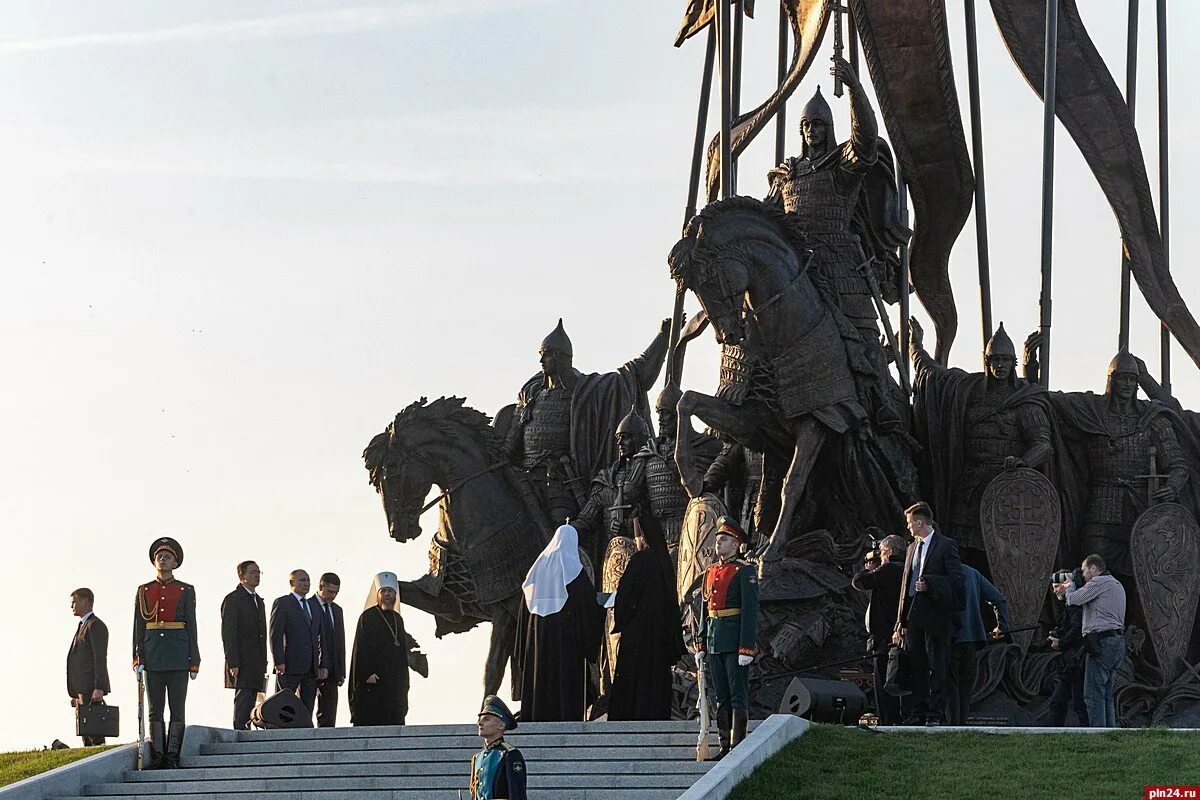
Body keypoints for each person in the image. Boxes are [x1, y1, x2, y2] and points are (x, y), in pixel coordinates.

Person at [505, 317, 669, 536]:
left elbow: (637, 375)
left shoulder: (586, 392)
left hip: (560, 484)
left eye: (547, 354)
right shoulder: (532, 394)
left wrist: (662, 339)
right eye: (540, 354)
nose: (541, 360)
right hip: (525, 480)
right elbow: (513, 439)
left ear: (560, 357)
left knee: (561, 528)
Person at [514, 523, 604, 722]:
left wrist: (524, 651)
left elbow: (523, 620)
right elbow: (588, 610)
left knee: (539, 687)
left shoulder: (534, 575)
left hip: (536, 648)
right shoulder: (575, 574)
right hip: (566, 647)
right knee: (564, 689)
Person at [607, 515, 685, 721]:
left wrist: (620, 617)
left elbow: (625, 593)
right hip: (660, 634)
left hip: (638, 632)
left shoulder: (641, 559)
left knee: (636, 677)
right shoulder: (664, 560)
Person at [892, 502, 963, 726]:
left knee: (937, 662)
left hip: (935, 613)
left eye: (910, 523)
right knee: (916, 662)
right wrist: (899, 622)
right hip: (913, 612)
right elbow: (905, 584)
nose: (908, 528)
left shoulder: (946, 545)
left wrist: (931, 584)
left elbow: (957, 580)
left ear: (920, 522)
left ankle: (935, 712)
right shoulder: (912, 547)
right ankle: (918, 710)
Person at [694, 517, 759, 758]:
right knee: (721, 695)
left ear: (736, 544)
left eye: (724, 540)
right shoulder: (710, 571)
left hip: (734, 640)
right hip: (714, 640)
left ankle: (737, 745)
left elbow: (750, 611)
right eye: (718, 539)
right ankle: (723, 744)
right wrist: (701, 641)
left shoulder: (744, 571)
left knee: (737, 693)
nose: (718, 543)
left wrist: (746, 647)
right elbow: (703, 609)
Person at [133, 537, 199, 769]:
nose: (163, 559)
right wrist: (137, 657)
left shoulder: (185, 590)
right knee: (154, 709)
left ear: (176, 562)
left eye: (167, 556)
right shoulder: (144, 590)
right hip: (152, 655)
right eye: (159, 556)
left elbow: (191, 624)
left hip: (179, 654)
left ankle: (172, 755)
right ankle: (158, 755)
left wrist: (194, 660)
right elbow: (138, 627)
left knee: (177, 708)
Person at [1055, 554, 1126, 728]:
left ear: (1093, 568)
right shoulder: (1116, 584)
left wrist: (1070, 584)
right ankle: (1109, 734)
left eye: (1084, 569)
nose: (1083, 574)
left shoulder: (1098, 583)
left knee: (1093, 695)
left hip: (1101, 644)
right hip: (1116, 643)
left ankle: (1099, 737)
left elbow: (1074, 599)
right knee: (1106, 695)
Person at [348, 572, 426, 726]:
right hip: (374, 678)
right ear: (377, 595)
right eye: (383, 591)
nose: (387, 595)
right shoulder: (367, 617)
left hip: (394, 679)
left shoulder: (398, 619)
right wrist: (367, 672)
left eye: (390, 591)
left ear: (395, 594)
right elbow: (360, 648)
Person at [851, 533, 906, 725]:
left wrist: (870, 569)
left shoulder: (890, 569)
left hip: (884, 636)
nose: (880, 556)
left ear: (889, 552)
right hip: (900, 635)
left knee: (883, 683)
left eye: (882, 552)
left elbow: (859, 582)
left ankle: (888, 721)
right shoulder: (907, 568)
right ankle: (899, 718)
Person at [947, 565, 1009, 726]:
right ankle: (961, 723)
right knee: (965, 686)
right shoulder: (972, 572)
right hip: (970, 638)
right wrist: (1002, 626)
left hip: (946, 639)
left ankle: (952, 725)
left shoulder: (937, 571)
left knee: (949, 684)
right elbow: (999, 599)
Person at [269, 569, 320, 723]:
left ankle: (304, 732)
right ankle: (279, 732)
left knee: (307, 705)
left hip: (310, 666)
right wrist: (279, 661)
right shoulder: (283, 603)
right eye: (302, 580)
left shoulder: (313, 606)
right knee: (284, 702)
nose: (306, 584)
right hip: (289, 664)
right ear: (292, 583)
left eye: (308, 581)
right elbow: (275, 634)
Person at [221, 560, 267, 731]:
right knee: (243, 698)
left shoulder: (258, 601)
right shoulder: (233, 599)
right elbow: (228, 633)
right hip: (241, 660)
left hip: (256, 660)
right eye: (252, 572)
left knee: (253, 696)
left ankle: (247, 729)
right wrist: (233, 662)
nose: (256, 575)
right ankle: (240, 732)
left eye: (258, 572)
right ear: (242, 576)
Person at [1046, 568, 1089, 727]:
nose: (1054, 589)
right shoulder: (1072, 605)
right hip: (1071, 662)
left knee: (1076, 703)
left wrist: (1060, 642)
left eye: (1057, 585)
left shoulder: (1074, 605)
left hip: (1075, 662)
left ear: (1067, 584)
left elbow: (1077, 629)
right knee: (1063, 702)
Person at [67, 588, 110, 746]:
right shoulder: (82, 625)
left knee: (94, 732)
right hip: (82, 689)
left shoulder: (95, 625)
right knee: (85, 732)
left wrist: (99, 687)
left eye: (74, 602)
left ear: (85, 601)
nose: (72, 605)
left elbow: (100, 658)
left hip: (91, 687)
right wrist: (75, 693)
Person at [470, 695, 527, 800]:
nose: (480, 723)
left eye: (486, 719)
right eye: (480, 719)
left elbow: (517, 794)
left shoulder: (510, 755)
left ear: (501, 726)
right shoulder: (477, 758)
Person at [310, 572, 346, 728]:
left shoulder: (337, 610)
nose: (333, 596)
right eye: (331, 592)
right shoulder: (308, 605)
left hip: (332, 670)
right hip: (310, 668)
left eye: (336, 592)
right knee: (305, 710)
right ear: (321, 586)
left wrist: (341, 670)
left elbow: (340, 643)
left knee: (329, 714)